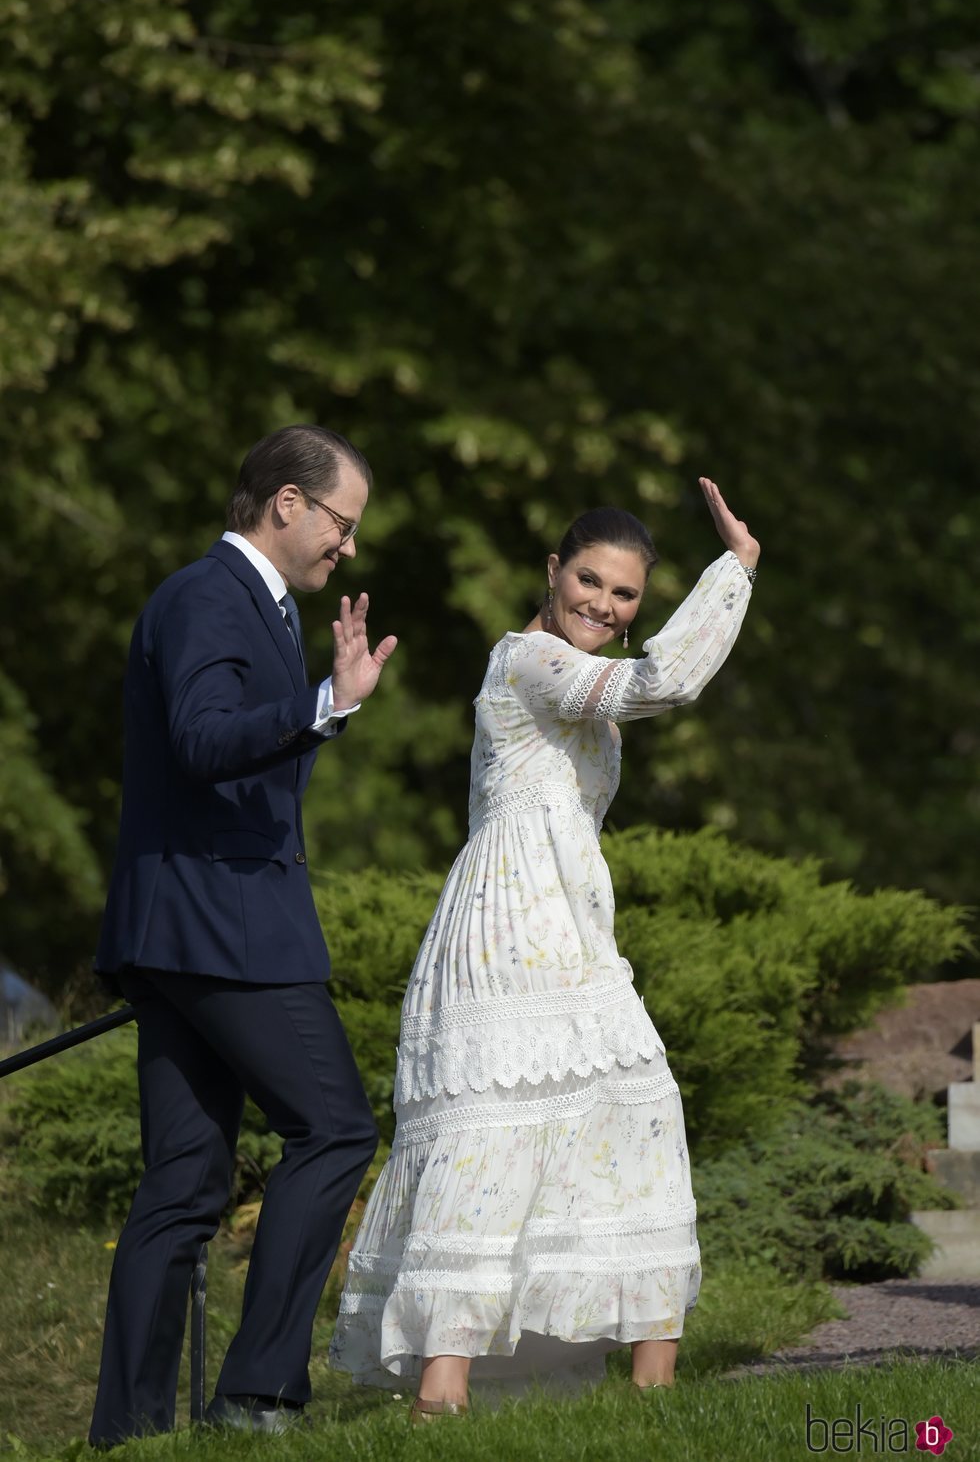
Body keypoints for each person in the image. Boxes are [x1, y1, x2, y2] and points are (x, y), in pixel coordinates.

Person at [329, 477, 759, 1416]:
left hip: (569, 922)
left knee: (637, 1116)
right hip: (506, 926)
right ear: (552, 570)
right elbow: (666, 680)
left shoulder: (573, 681)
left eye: (626, 595)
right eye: (590, 581)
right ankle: (440, 1397)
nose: (604, 604)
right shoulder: (528, 658)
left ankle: (655, 1401)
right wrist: (738, 570)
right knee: (496, 1144)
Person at [89, 424, 397, 1447]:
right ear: (285, 504)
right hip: (222, 928)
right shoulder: (208, 597)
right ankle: (255, 1391)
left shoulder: (250, 605)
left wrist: (326, 706)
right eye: (340, 524)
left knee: (183, 1183)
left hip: (179, 927)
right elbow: (201, 737)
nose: (346, 547)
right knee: (337, 1126)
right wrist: (321, 703)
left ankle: (129, 1436)